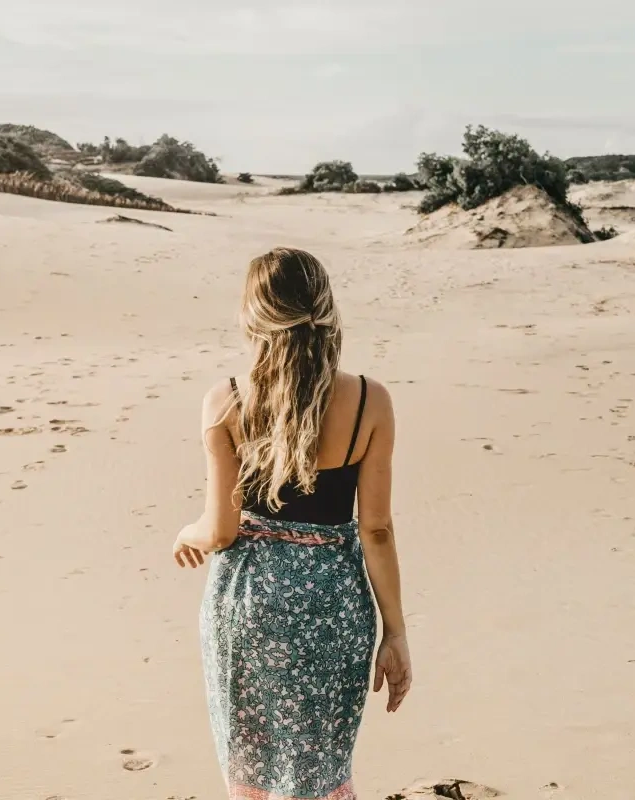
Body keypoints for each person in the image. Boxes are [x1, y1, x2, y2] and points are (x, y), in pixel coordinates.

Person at [173, 247, 411, 800]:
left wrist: (188, 533)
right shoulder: (370, 400)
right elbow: (376, 529)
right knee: (324, 772)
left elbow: (221, 531)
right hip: (334, 607)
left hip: (251, 606)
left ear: (252, 316)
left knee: (252, 769)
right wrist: (394, 630)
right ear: (327, 310)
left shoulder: (227, 400)